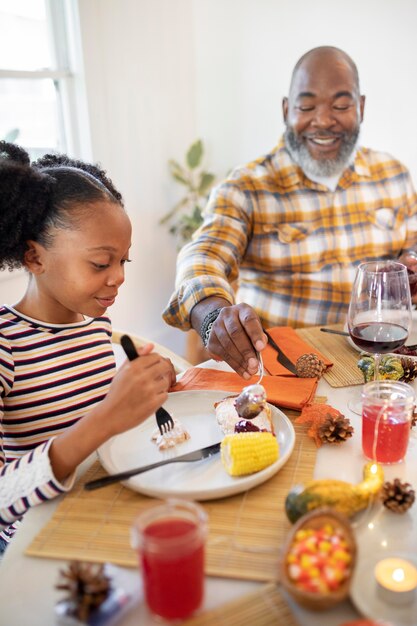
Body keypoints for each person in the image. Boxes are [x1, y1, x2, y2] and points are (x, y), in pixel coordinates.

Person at [163, 46, 417, 379]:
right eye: (307, 106)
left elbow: (411, 245)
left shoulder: (393, 174)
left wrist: (410, 263)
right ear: (286, 110)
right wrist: (213, 315)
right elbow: (202, 256)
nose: (324, 120)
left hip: (378, 365)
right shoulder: (247, 186)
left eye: (341, 105)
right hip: (281, 373)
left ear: (361, 107)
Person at [0, 141, 175, 553]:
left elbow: (104, 432)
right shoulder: (6, 345)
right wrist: (108, 416)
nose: (118, 278)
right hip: (38, 547)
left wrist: (145, 391)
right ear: (34, 257)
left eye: (123, 262)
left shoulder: (97, 327)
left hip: (102, 522)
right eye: (101, 264)